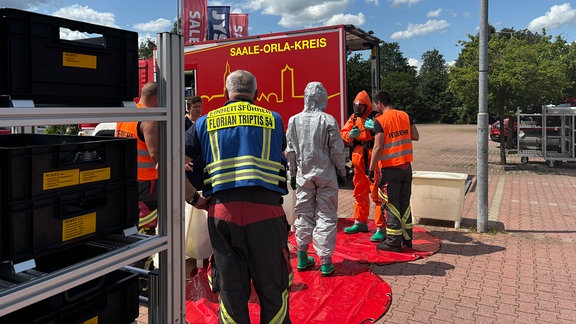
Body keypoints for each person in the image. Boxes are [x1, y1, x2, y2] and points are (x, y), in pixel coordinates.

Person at [185, 70, 291, 323]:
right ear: (257, 93)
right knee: (274, 290)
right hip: (266, 213)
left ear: (225, 94)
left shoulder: (203, 123)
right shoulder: (274, 119)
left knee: (231, 293)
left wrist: (194, 199)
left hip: (222, 214)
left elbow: (169, 163)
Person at [285, 81, 347, 277]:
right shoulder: (328, 120)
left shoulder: (294, 120)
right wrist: (342, 171)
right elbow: (337, 150)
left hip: (304, 175)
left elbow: (291, 151)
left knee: (304, 213)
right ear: (323, 98)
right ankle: (326, 262)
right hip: (326, 174)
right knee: (326, 215)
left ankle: (302, 257)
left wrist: (293, 174)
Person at [368, 90, 419, 252]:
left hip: (390, 169)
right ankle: (407, 239)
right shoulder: (405, 115)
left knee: (390, 205)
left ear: (379, 104)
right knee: (405, 203)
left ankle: (393, 242)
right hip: (406, 168)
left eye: (375, 105)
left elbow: (377, 147)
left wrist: (371, 169)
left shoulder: (380, 121)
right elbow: (415, 136)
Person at [340, 90, 386, 242]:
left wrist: (374, 129)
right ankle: (360, 222)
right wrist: (350, 136)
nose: (357, 110)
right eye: (356, 107)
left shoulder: (377, 116)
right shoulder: (354, 118)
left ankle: (381, 227)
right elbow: (344, 133)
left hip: (373, 156)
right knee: (359, 190)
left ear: (366, 106)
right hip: (359, 156)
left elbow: (386, 133)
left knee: (376, 193)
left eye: (360, 107)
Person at [115, 82, 160, 236]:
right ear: (156, 98)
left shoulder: (126, 115)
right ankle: (143, 258)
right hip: (147, 182)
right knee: (147, 224)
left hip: (129, 179)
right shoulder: (149, 119)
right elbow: (155, 155)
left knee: (132, 222)